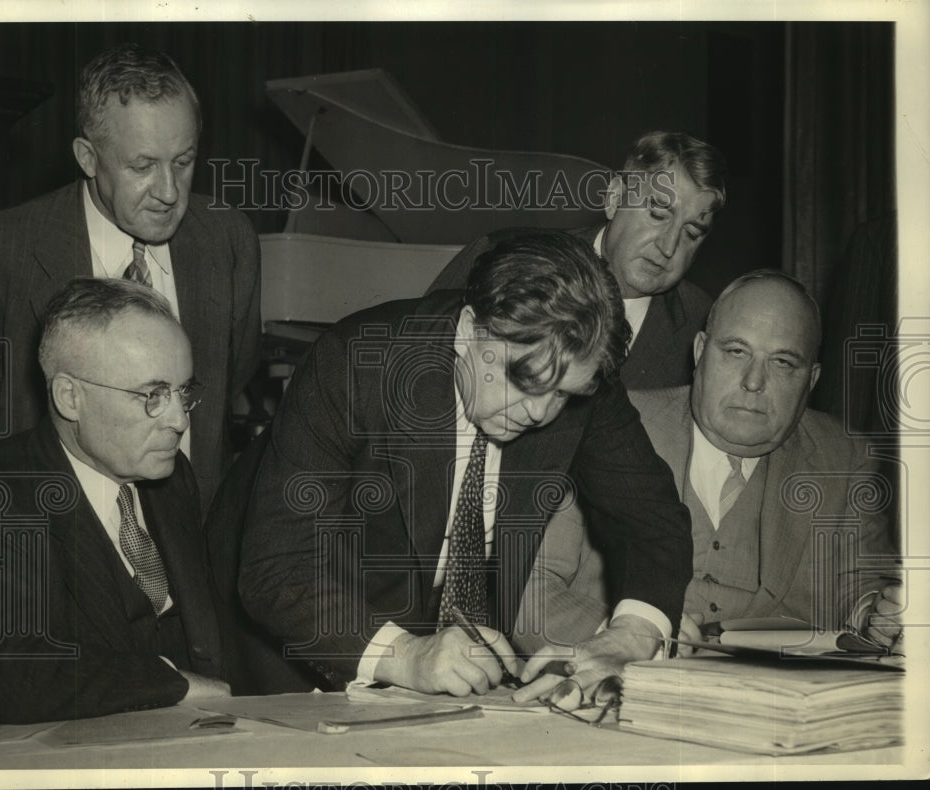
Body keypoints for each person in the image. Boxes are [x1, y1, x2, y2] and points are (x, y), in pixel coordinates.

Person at [238, 231, 693, 697]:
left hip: (442, 667)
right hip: (303, 649)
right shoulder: (355, 362)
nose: (540, 412)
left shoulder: (578, 376)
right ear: (471, 327)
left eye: (562, 395)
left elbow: (654, 522)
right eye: (526, 380)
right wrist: (407, 656)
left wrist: (629, 638)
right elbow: (279, 566)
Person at [517, 270, 902, 709]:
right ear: (700, 352)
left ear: (811, 380)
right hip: (605, 702)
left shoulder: (844, 457)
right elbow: (526, 586)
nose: (754, 382)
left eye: (782, 363)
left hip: (771, 712)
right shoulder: (608, 428)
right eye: (736, 352)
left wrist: (878, 615)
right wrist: (630, 635)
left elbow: (862, 586)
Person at [0, 43, 261, 511]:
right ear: (88, 157)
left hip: (193, 540)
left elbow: (231, 381)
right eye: (142, 166)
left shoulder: (229, 241)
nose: (167, 191)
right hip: (56, 541)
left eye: (183, 162)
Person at [0, 278, 231, 724]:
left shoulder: (171, 477)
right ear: (70, 397)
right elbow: (15, 674)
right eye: (152, 396)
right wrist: (172, 682)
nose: (179, 421)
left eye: (184, 393)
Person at [427, 130, 727, 390]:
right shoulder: (497, 256)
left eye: (691, 232)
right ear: (614, 198)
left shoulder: (702, 321)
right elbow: (417, 364)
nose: (669, 246)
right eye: (658, 214)